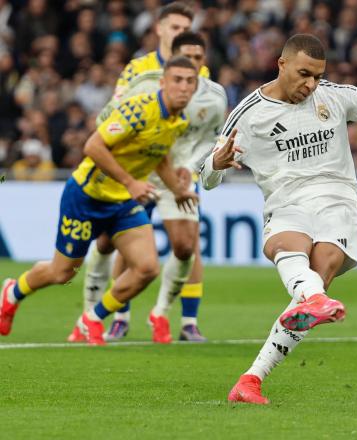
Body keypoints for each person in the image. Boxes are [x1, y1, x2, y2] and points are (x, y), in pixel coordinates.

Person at [201, 34, 357, 403]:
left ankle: (265, 360)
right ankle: (254, 376)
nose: (311, 84)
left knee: (320, 270)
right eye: (304, 74)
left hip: (338, 199)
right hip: (286, 201)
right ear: (281, 64)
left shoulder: (335, 96)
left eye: (317, 76)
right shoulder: (248, 114)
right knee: (289, 247)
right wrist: (215, 165)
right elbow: (207, 177)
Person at [0, 56, 199, 345]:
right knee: (61, 272)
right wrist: (130, 182)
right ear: (163, 82)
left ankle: (91, 318)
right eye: (177, 79)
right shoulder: (139, 110)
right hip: (86, 196)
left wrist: (178, 190)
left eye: (189, 81)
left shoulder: (179, 120)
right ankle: (13, 292)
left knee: (147, 269)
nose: (183, 87)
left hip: (122, 204)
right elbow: (92, 145)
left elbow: (158, 156)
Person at [69, 32, 227, 344]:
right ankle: (113, 315)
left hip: (176, 177)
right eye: (186, 57)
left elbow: (211, 138)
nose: (192, 64)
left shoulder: (214, 97)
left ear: (204, 61)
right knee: (109, 244)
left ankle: (161, 313)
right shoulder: (143, 85)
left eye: (198, 58)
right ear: (171, 58)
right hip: (139, 172)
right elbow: (106, 119)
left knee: (185, 246)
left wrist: (192, 165)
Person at [112, 2, 209, 102]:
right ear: (159, 29)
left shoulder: (201, 71)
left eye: (186, 29)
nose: (181, 33)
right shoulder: (136, 69)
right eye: (175, 28)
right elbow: (115, 107)